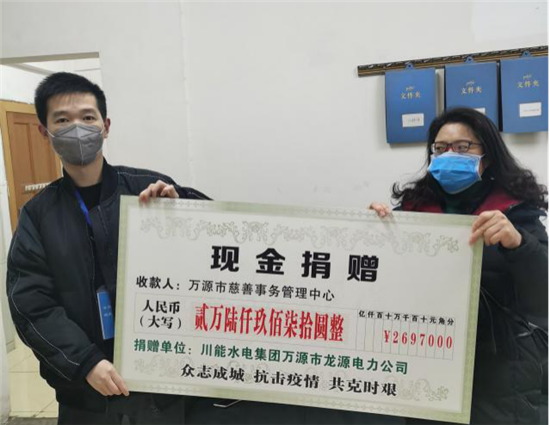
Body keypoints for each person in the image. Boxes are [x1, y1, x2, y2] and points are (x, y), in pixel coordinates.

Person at [6, 72, 210, 424]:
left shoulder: (149, 189)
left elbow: (217, 255)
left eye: (87, 117)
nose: (77, 129)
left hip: (162, 388)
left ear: (106, 126)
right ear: (44, 131)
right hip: (86, 395)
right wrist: (85, 361)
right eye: (62, 120)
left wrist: (182, 213)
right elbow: (31, 304)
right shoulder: (37, 215)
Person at [370, 107, 548, 424]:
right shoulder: (412, 210)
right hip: (427, 360)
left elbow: (542, 294)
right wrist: (371, 231)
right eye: (440, 148)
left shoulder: (517, 211)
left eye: (463, 147)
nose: (449, 155)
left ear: (487, 156)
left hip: (499, 370)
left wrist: (518, 244)